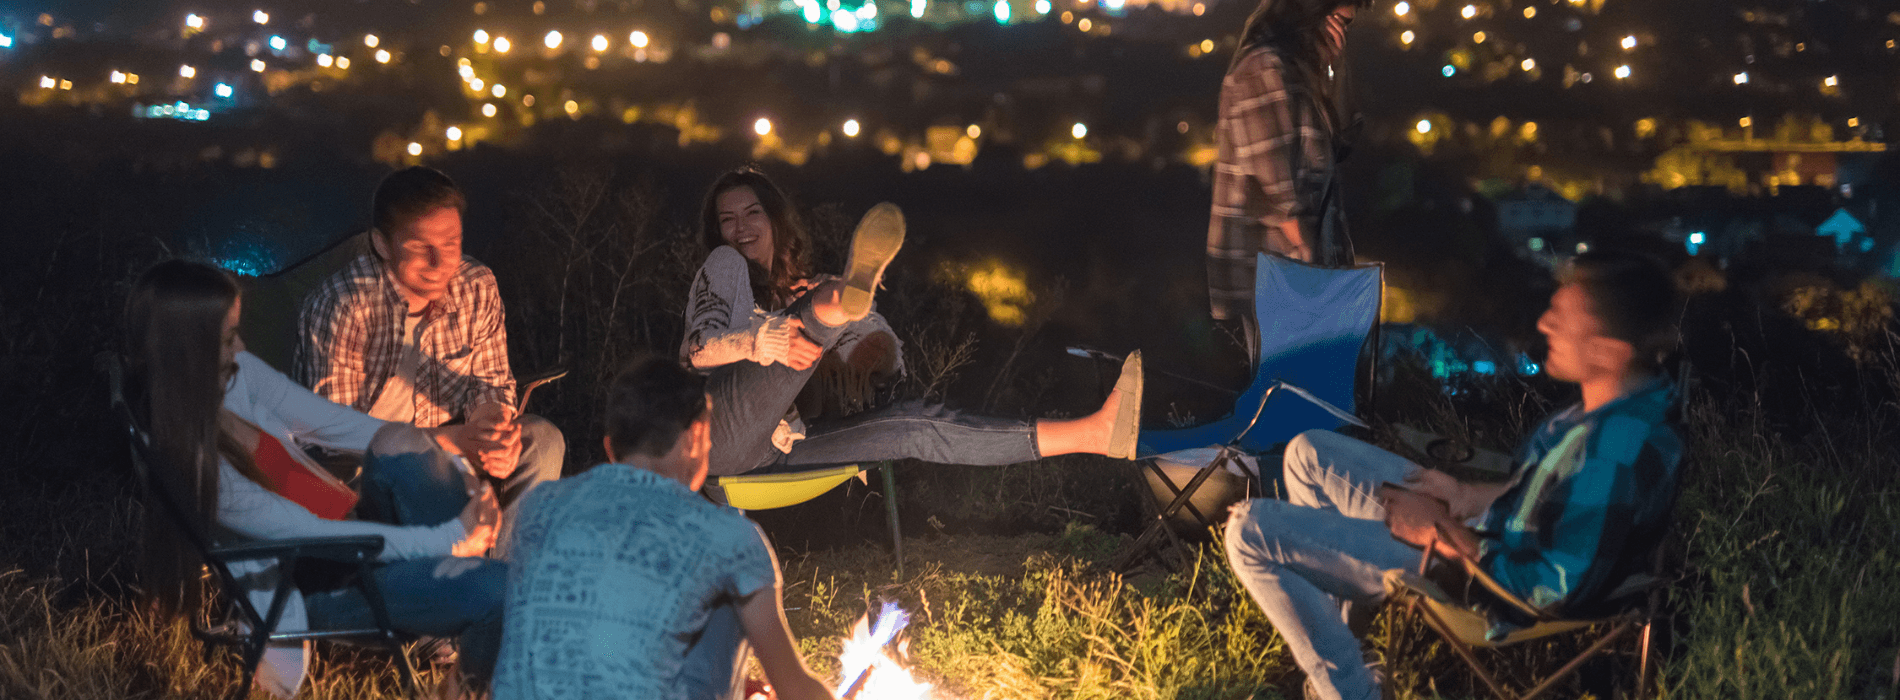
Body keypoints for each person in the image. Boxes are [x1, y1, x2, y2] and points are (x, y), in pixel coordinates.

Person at [1222, 251, 1685, 700]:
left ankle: (1352, 692)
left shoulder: (1615, 452)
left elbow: (1543, 590)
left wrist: (1439, 530)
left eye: (1562, 318)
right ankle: (1349, 652)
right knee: (1309, 453)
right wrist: (1462, 493)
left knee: (1249, 532)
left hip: (1474, 576)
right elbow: (1547, 494)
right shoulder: (1616, 408)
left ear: (1608, 352)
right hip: (1481, 534)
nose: (1545, 324)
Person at [126, 260, 507, 698]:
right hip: (329, 581)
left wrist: (448, 444)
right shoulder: (194, 464)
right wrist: (450, 538)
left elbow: (334, 424)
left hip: (353, 527)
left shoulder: (235, 378)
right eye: (229, 337)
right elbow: (317, 535)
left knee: (396, 439)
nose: (242, 346)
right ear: (187, 350)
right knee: (502, 590)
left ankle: (454, 583)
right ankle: (462, 666)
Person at [682, 168, 1142, 478]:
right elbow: (695, 350)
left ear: (775, 221)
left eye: (752, 213)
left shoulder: (794, 291)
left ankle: (1094, 434)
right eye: (728, 219)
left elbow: (890, 367)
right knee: (817, 310)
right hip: (717, 433)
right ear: (717, 232)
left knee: (914, 425)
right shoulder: (723, 267)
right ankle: (845, 295)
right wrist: (761, 340)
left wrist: (870, 359)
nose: (740, 228)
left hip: (777, 449)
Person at [491, 356, 839, 700]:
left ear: (610, 449)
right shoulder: (729, 537)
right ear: (696, 437)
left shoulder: (542, 507)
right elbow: (794, 688)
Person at [296, 166, 563, 509]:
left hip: (452, 441)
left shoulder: (476, 286)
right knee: (426, 479)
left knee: (542, 441)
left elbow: (491, 383)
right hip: (361, 463)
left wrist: (492, 431)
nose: (439, 262)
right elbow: (337, 434)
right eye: (421, 247)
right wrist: (451, 442)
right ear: (382, 244)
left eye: (450, 244)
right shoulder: (343, 306)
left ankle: (507, 561)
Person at [1208, 0, 1371, 360]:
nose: (1341, 34)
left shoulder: (1300, 72)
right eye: (1338, 21)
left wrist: (1336, 71)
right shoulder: (1265, 69)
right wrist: (1312, 275)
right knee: (1293, 393)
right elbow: (1274, 186)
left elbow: (1343, 141)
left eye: (1348, 25)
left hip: (1297, 270)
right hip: (1280, 271)